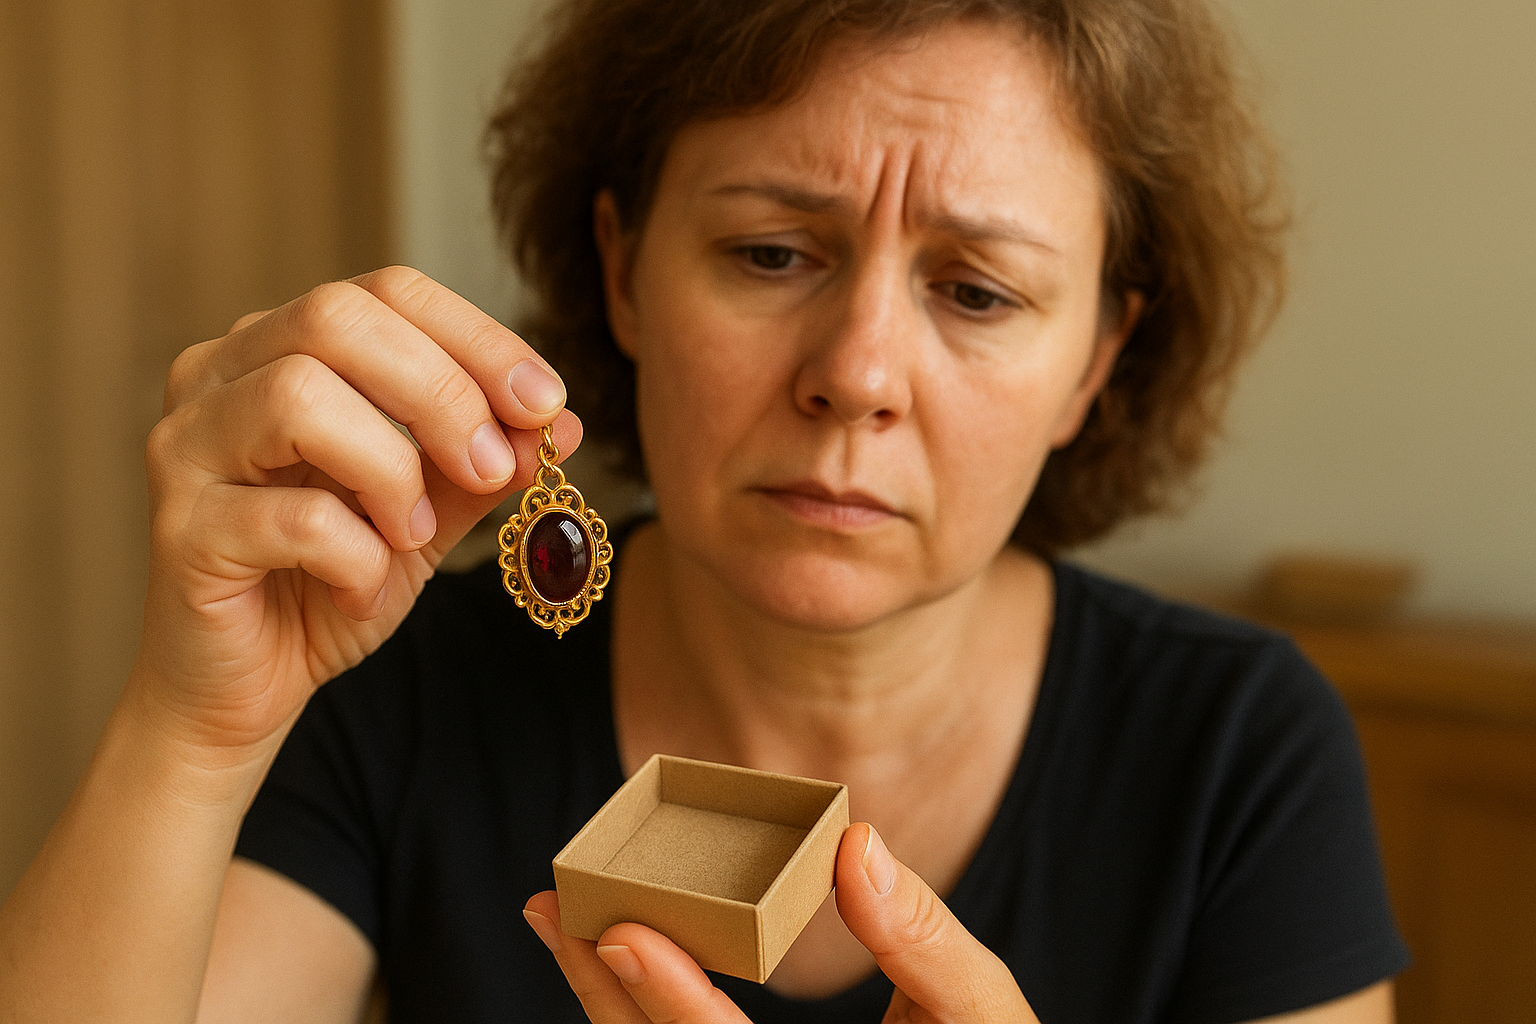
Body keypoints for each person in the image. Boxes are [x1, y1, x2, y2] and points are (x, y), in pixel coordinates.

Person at [0, 0, 1409, 1021]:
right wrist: (187, 735)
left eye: (977, 292)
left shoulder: (1243, 754)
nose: (857, 373)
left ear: (1095, 360)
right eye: (771, 252)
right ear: (623, 272)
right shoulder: (394, 682)